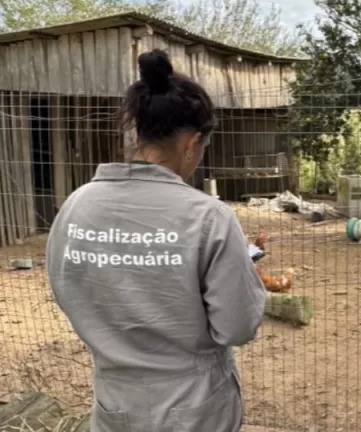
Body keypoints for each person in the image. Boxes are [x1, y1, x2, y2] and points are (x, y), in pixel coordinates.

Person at [45, 49, 266, 432]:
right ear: (192, 143)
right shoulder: (209, 217)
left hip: (115, 402)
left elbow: (68, 289)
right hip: (195, 405)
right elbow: (236, 326)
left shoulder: (77, 206)